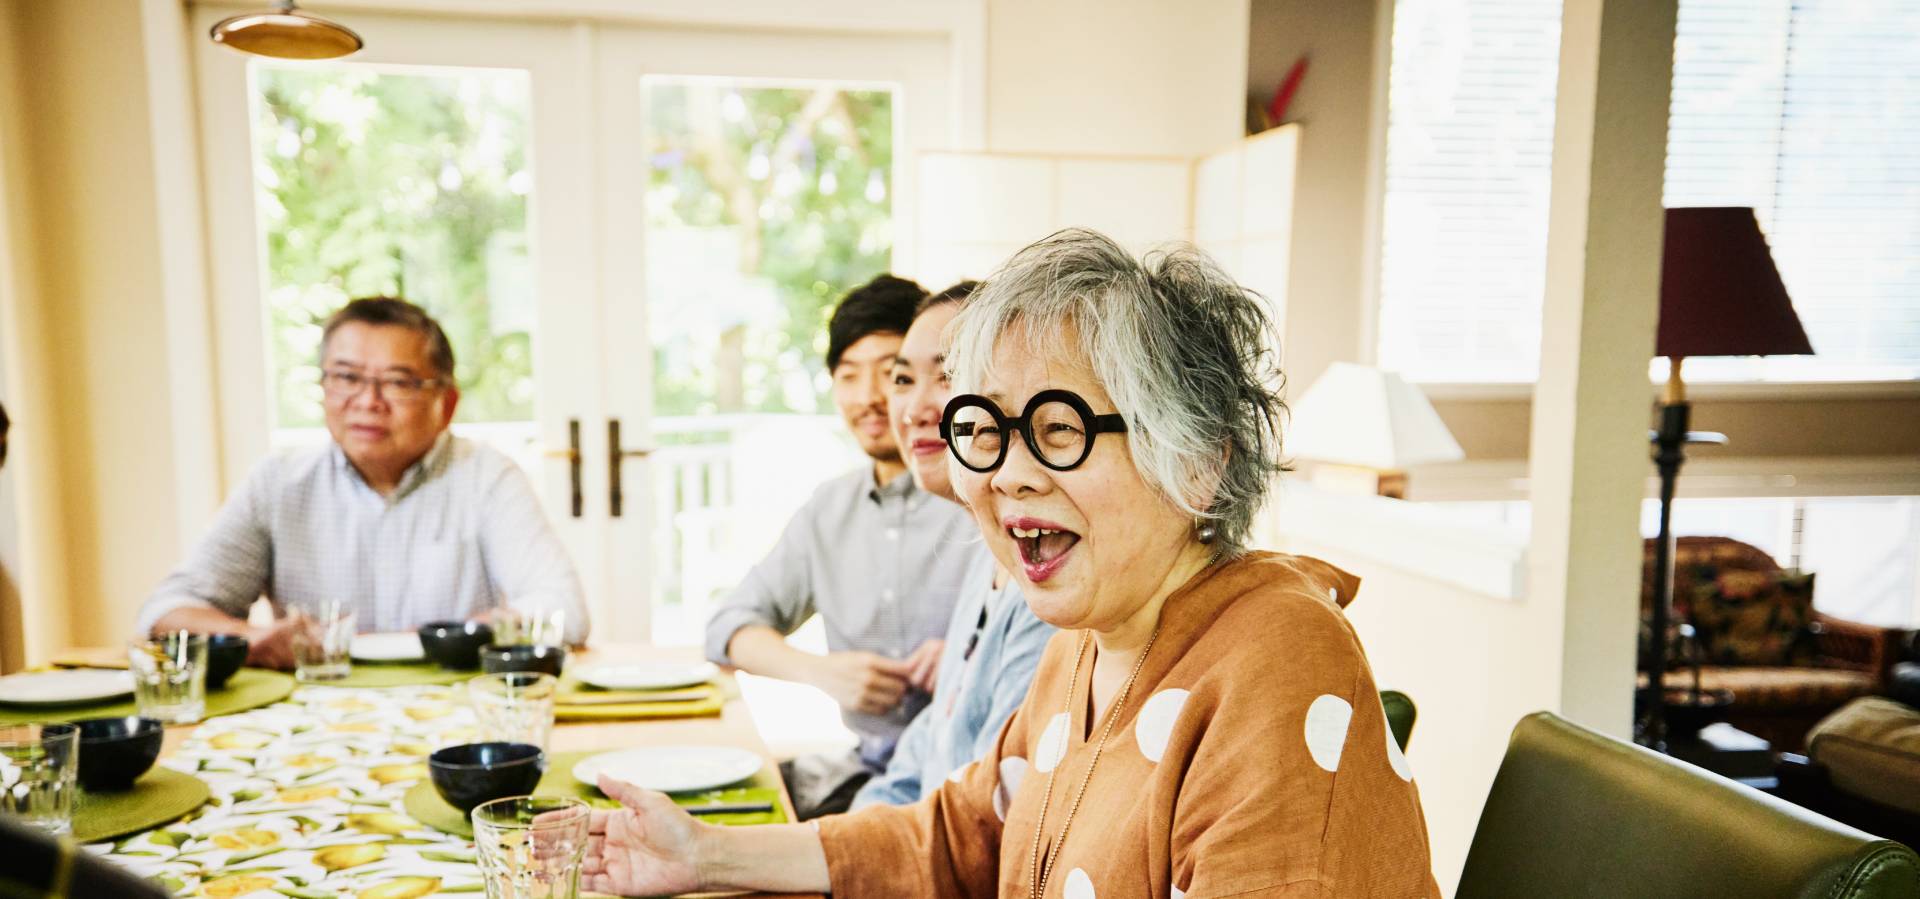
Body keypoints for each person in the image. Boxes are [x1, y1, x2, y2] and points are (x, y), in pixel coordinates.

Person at [581, 230, 1439, 898]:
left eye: (1060, 428)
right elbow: (959, 837)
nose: (1007, 474)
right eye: (985, 429)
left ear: (1198, 461)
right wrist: (705, 851)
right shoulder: (1088, 638)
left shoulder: (1276, 658)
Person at [135, 297, 588, 668]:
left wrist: (472, 633)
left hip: (451, 707)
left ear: (446, 404)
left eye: (397, 382)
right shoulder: (278, 483)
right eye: (347, 378)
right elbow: (167, 610)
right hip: (313, 714)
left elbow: (563, 607)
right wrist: (250, 637)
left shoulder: (488, 477)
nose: (367, 402)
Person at [703, 273, 978, 819]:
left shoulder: (985, 498)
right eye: (849, 375)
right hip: (868, 771)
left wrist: (970, 656)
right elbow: (725, 630)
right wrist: (822, 673)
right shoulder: (830, 509)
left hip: (959, 780)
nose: (872, 398)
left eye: (892, 374)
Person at [851, 281, 1056, 809]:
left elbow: (984, 819)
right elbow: (922, 756)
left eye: (948, 376)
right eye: (903, 379)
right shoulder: (988, 554)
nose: (915, 408)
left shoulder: (1051, 588)